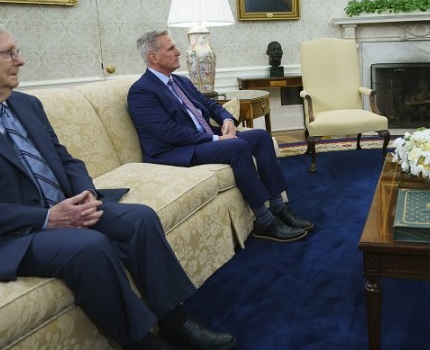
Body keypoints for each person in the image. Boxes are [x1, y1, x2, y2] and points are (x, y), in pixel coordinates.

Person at [0, 17, 234, 350]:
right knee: (88, 247)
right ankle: (141, 347)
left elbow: (66, 159)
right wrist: (46, 218)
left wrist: (84, 193)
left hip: (63, 208)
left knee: (138, 219)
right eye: (9, 53)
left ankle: (174, 320)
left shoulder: (26, 104)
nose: (20, 60)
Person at [127, 30, 311, 242]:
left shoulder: (180, 82)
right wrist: (215, 139)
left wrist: (227, 120)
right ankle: (264, 221)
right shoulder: (142, 91)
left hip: (200, 139)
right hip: (175, 151)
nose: (178, 52)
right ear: (153, 57)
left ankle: (279, 208)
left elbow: (210, 105)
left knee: (260, 137)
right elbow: (168, 132)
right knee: (237, 146)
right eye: (171, 48)